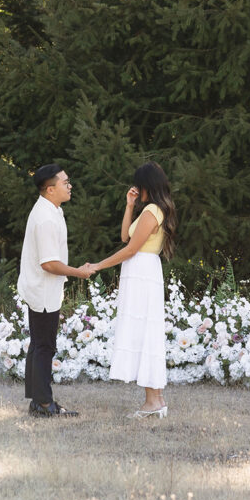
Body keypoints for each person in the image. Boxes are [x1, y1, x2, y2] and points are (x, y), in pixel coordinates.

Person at [88, 162, 177, 419]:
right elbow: (126, 236)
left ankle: (152, 401)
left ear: (147, 186)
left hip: (141, 272)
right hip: (143, 272)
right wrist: (129, 205)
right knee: (146, 330)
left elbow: (129, 250)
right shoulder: (151, 210)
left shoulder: (151, 212)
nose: (136, 189)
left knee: (144, 332)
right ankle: (156, 399)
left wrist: (98, 266)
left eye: (139, 185)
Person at [17, 163, 95, 418]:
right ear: (50, 189)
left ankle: (37, 401)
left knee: (39, 344)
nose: (70, 186)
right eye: (65, 182)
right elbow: (49, 263)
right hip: (42, 290)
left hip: (43, 289)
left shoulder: (51, 210)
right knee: (44, 346)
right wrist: (78, 272)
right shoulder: (46, 218)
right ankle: (43, 404)